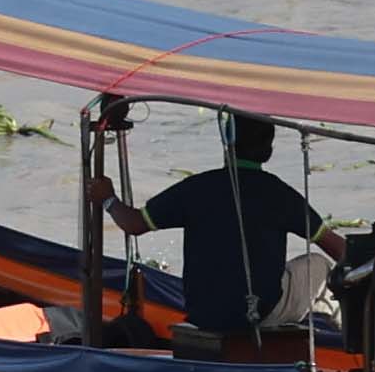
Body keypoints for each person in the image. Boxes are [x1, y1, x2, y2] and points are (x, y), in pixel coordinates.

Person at [87, 113, 347, 334]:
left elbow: (133, 224)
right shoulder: (280, 194)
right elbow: (339, 250)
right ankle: (350, 342)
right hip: (260, 312)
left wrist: (109, 200)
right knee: (321, 266)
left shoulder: (197, 188)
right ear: (268, 151)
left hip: (203, 314)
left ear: (228, 141)